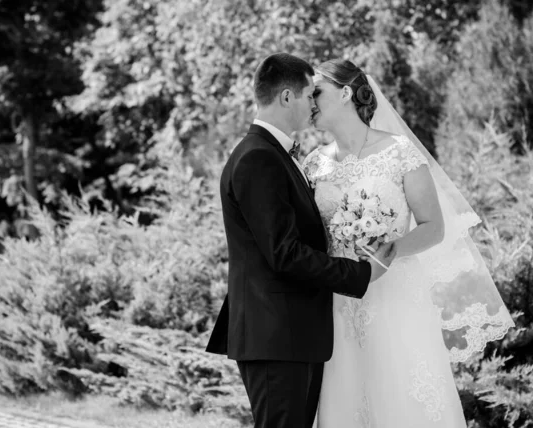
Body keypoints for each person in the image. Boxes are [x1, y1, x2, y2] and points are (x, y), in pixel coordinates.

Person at [303, 58, 514, 427]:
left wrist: (393, 249)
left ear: (346, 92)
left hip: (395, 295)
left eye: (316, 92)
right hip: (337, 304)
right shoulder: (313, 164)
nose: (309, 102)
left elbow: (434, 226)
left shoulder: (398, 152)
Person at [205, 53, 397, 428]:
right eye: (311, 94)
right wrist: (362, 274)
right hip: (276, 334)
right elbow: (285, 253)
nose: (314, 104)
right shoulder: (257, 158)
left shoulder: (278, 154)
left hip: (292, 333)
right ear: (287, 97)